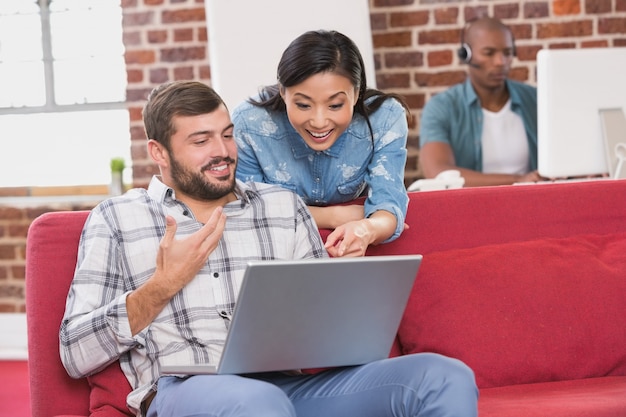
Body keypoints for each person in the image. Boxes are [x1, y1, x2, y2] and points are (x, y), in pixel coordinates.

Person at [59, 80, 478, 417]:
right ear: (159, 153)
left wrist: (342, 297)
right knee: (258, 404)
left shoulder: (282, 206)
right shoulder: (116, 219)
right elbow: (74, 354)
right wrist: (161, 286)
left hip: (289, 385)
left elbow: (325, 327)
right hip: (183, 391)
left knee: (443, 376)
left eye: (226, 135)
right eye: (201, 141)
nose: (222, 152)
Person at [232, 30, 410, 258]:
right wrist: (335, 216)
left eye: (335, 105)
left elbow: (389, 205)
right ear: (283, 92)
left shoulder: (385, 118)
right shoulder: (249, 123)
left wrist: (367, 228)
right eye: (303, 105)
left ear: (356, 94)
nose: (318, 122)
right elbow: (247, 212)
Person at [419, 16, 546, 187]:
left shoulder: (537, 99)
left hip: (534, 204)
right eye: (489, 53)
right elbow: (438, 173)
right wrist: (518, 181)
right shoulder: (442, 107)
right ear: (467, 55)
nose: (501, 62)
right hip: (472, 207)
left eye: (507, 53)